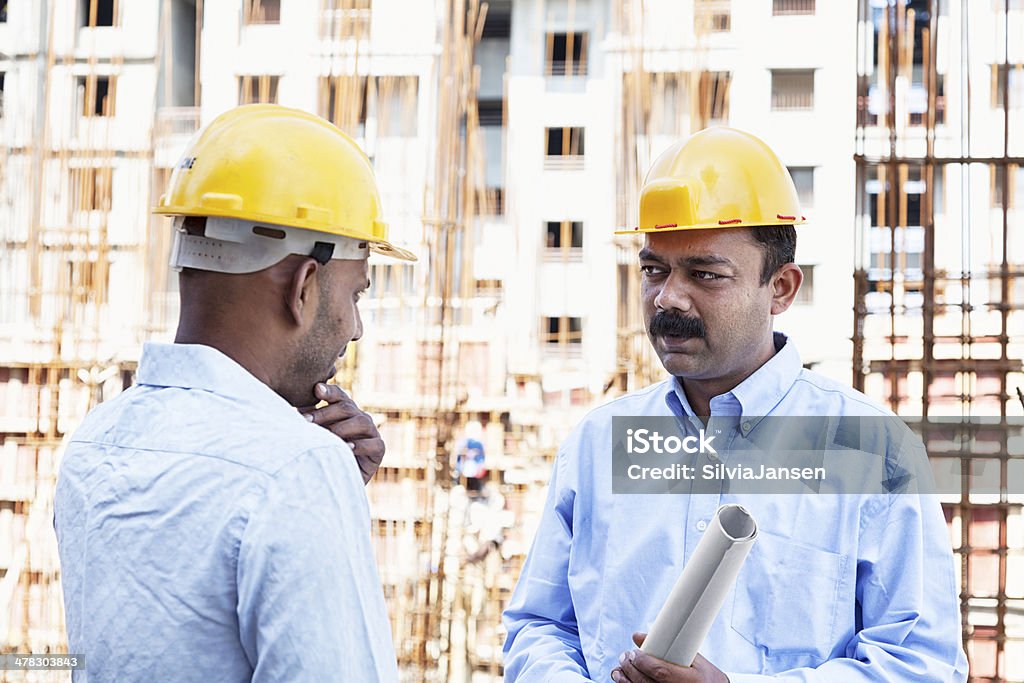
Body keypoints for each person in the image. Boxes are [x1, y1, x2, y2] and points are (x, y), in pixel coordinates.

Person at [502, 127, 968, 682]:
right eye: (654, 270)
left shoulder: (870, 453)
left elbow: (921, 666)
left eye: (705, 274)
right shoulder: (602, 442)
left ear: (782, 289)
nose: (668, 297)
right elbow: (538, 627)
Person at [54, 104, 415, 681]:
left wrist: (326, 505)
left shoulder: (95, 443)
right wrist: (318, 491)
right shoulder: (297, 469)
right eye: (357, 294)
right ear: (304, 285)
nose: (355, 326)